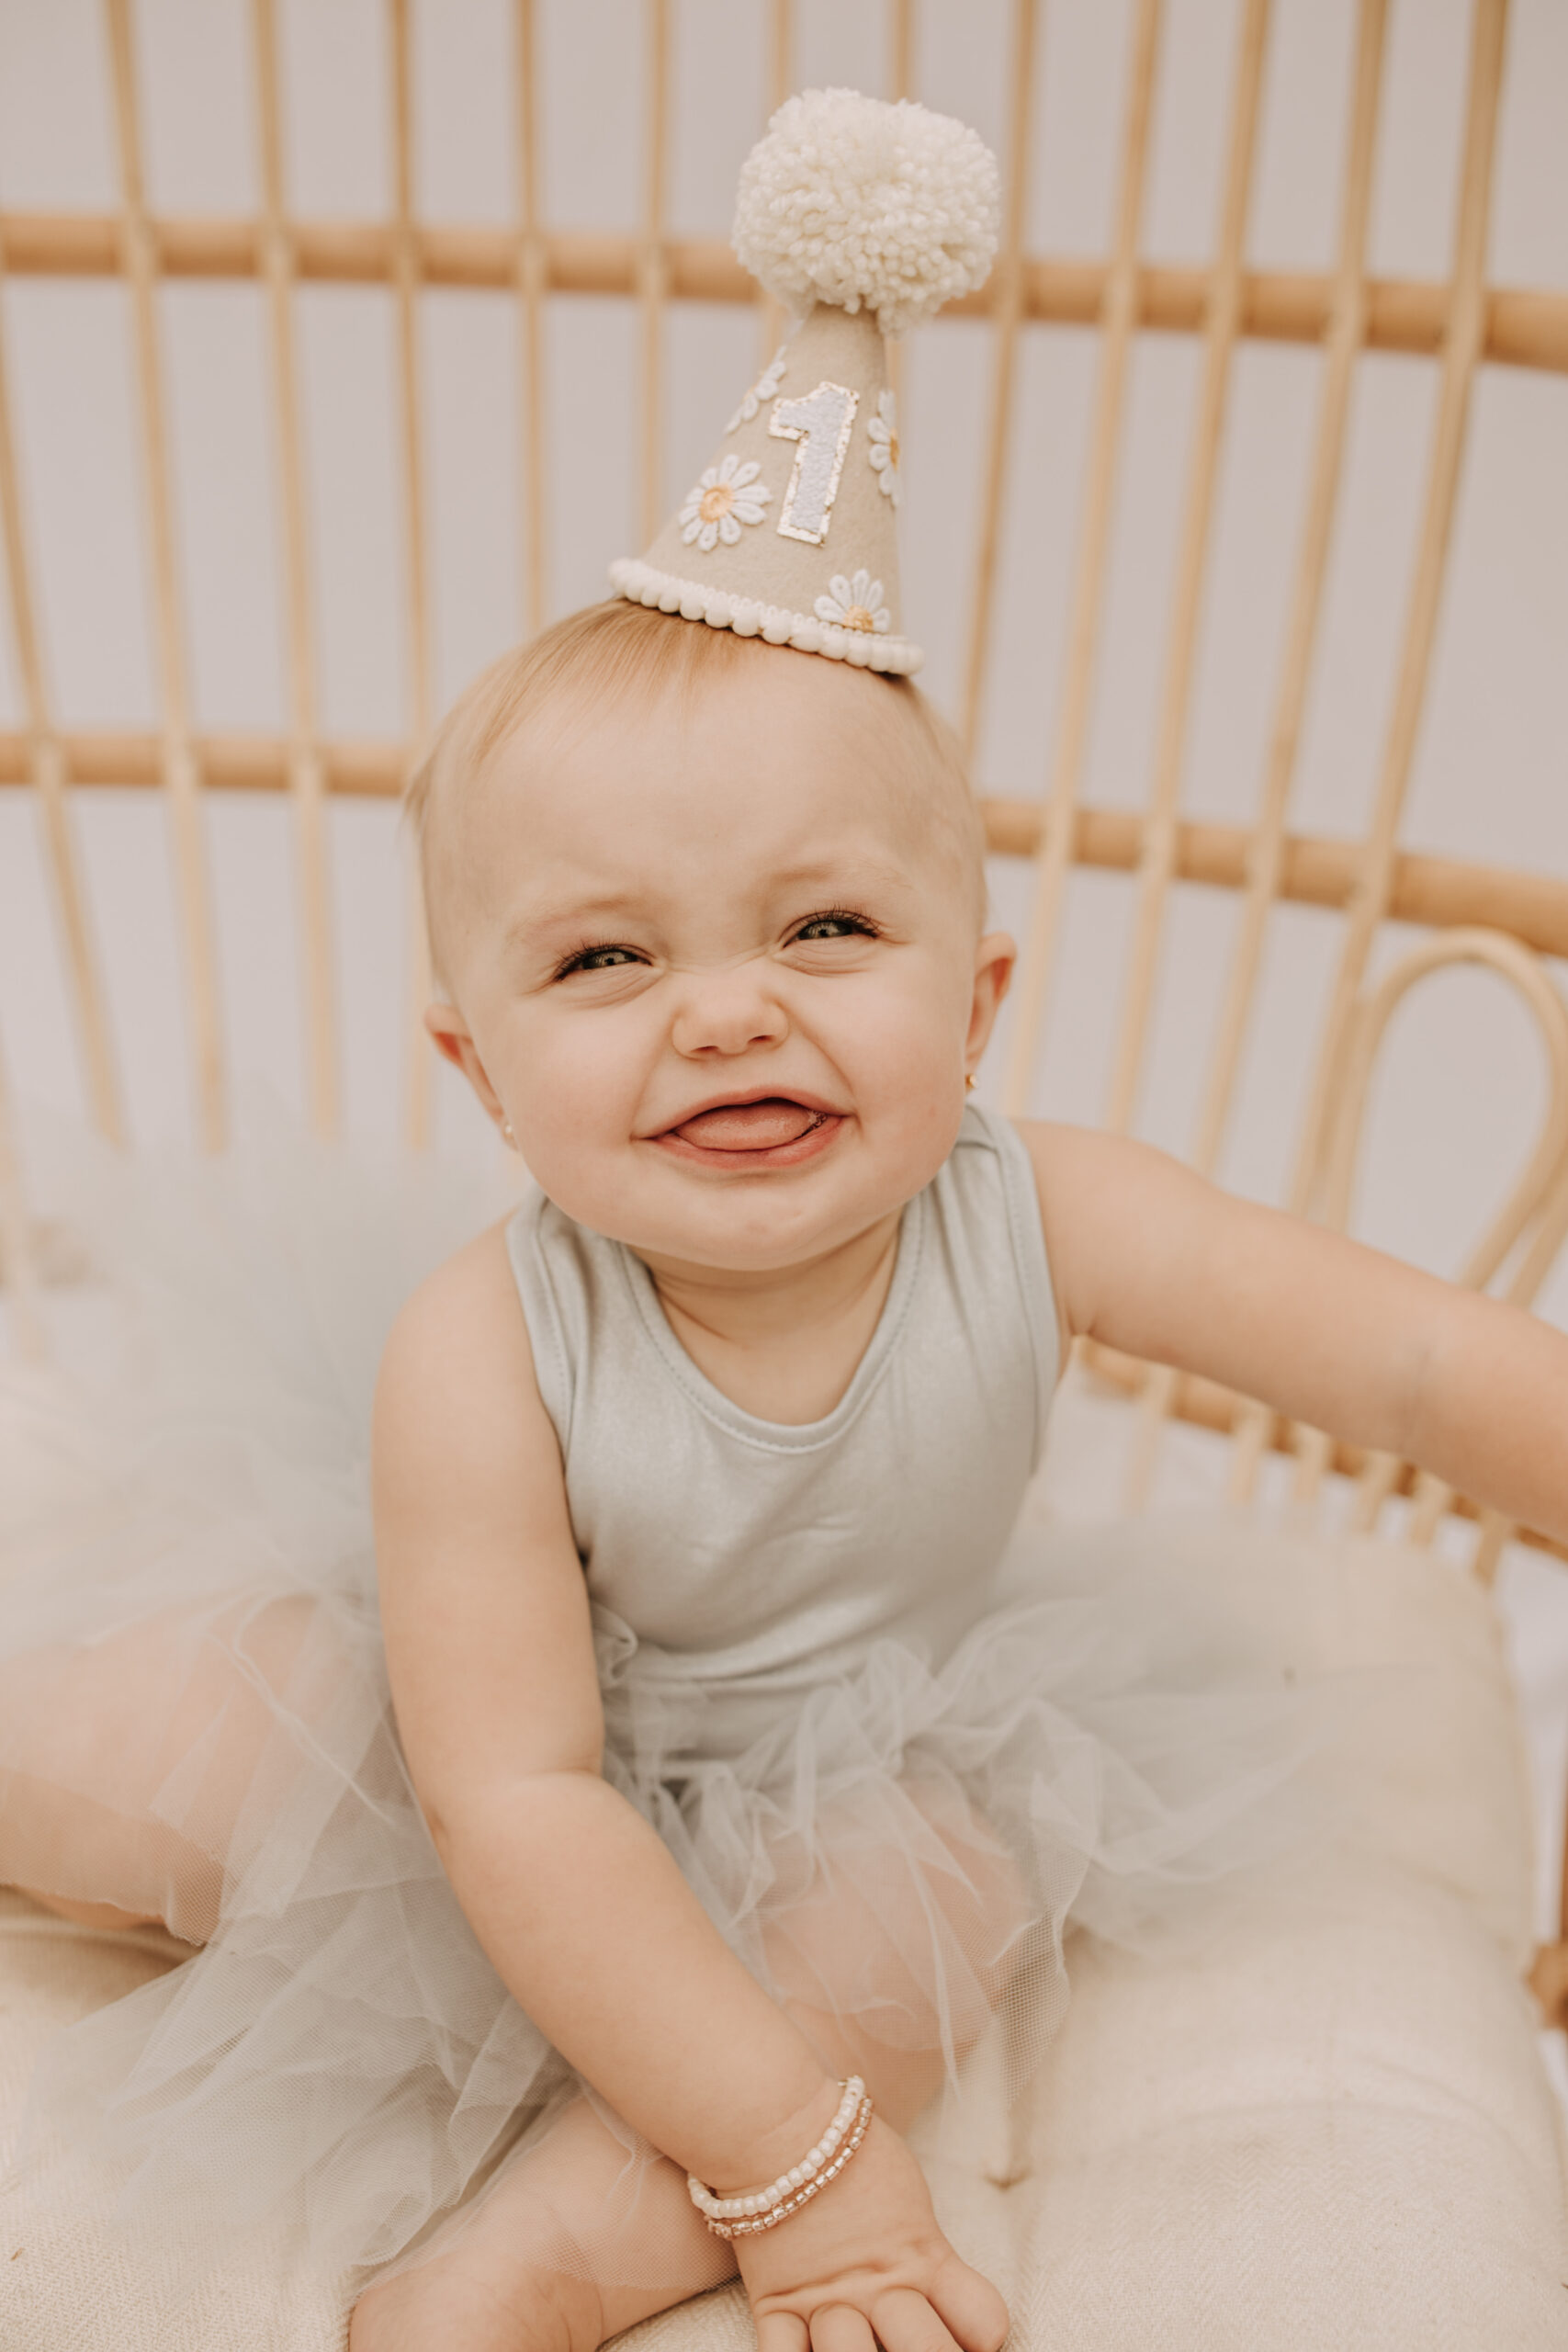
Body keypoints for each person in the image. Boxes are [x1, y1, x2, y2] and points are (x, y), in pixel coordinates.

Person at [1, 88, 1564, 2352]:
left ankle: (507, 2276)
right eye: (605, 961)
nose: (725, 1015)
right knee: (179, 1746)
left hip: (852, 1743)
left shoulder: (1042, 1211)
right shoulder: (488, 1349)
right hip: (471, 1747)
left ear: (978, 999)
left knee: (909, 1912)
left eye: (824, 926)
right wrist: (809, 2175)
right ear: (477, 1067)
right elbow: (520, 1796)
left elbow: (1416, 1362)